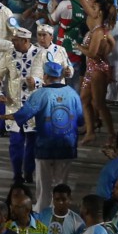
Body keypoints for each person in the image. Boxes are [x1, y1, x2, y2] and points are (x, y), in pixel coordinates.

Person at [14, 58, 83, 211]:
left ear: (45, 76)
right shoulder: (72, 94)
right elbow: (80, 120)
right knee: (61, 184)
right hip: (67, 146)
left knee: (44, 186)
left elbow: (24, 114)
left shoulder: (40, 94)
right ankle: (59, 212)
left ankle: (41, 213)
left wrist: (10, 117)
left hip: (45, 146)